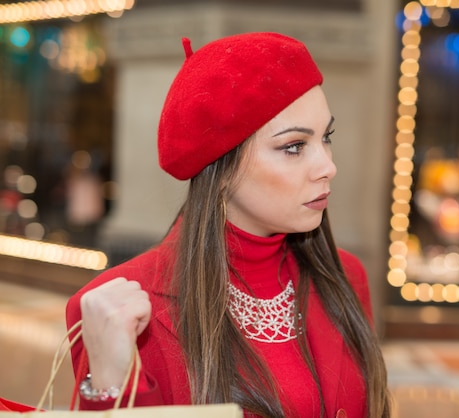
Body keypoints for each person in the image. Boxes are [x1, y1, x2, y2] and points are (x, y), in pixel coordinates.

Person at [65, 32, 390, 418]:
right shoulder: (122, 311)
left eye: (326, 137)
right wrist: (109, 383)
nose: (328, 167)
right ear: (220, 167)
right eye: (294, 146)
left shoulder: (345, 276)